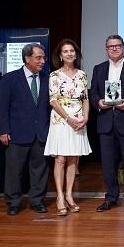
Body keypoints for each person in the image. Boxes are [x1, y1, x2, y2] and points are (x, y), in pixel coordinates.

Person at [0, 43, 50, 215]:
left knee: (40, 170)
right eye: (38, 57)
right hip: (16, 133)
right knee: (14, 171)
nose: (42, 61)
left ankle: (37, 201)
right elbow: (2, 108)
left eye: (43, 57)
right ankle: (13, 202)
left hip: (41, 132)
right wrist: (3, 130)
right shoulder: (10, 79)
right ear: (27, 59)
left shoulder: (48, 79)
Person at [89, 35, 124, 213]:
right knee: (108, 164)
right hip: (105, 122)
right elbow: (93, 93)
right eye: (110, 46)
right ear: (106, 49)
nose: (114, 49)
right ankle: (111, 197)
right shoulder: (99, 69)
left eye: (118, 46)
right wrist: (98, 103)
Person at [44, 39, 91, 215]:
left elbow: (85, 99)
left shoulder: (82, 75)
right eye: (66, 51)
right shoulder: (54, 76)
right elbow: (53, 100)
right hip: (61, 120)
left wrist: (85, 117)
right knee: (60, 159)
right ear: (60, 55)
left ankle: (70, 195)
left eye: (72, 51)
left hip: (79, 120)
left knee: (73, 159)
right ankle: (60, 197)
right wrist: (68, 118)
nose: (70, 53)